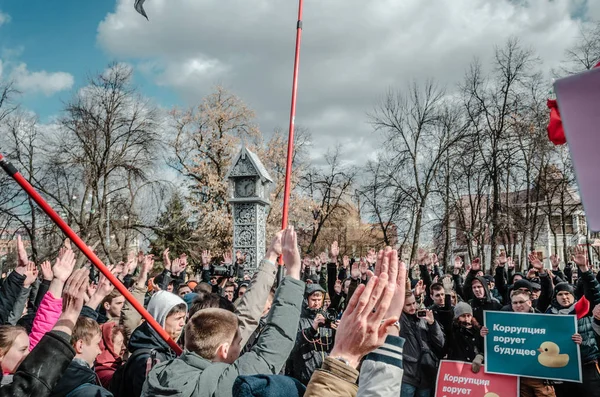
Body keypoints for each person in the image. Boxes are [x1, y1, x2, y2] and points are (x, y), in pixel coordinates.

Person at [141, 226, 304, 397]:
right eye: (237, 342)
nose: (240, 343)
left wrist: (270, 257)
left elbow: (245, 317)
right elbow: (273, 345)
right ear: (224, 350)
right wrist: (293, 273)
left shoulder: (158, 374)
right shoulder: (224, 384)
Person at [113, 290, 186, 397]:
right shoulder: (149, 360)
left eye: (184, 318)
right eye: (178, 318)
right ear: (161, 318)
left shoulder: (168, 350)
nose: (182, 323)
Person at [49, 316, 112, 397]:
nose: (99, 351)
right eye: (97, 344)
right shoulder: (94, 394)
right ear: (80, 345)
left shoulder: (45, 377)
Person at [400, 291, 444, 397]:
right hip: (408, 375)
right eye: (408, 304)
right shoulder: (400, 319)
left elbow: (440, 343)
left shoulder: (423, 319)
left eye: (414, 303)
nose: (412, 307)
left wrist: (432, 324)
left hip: (425, 374)